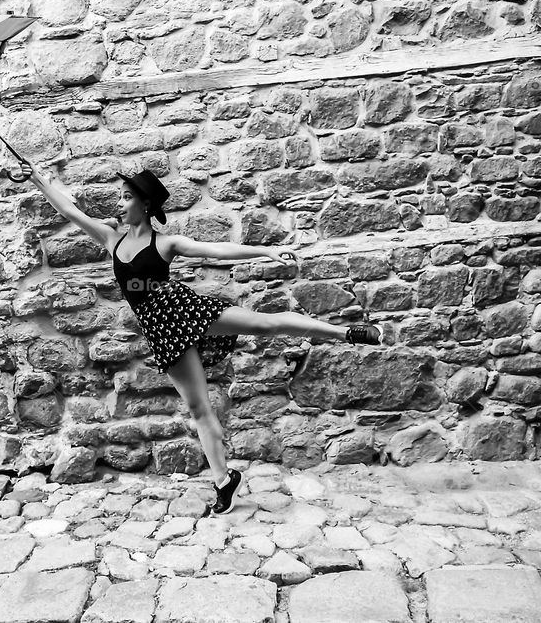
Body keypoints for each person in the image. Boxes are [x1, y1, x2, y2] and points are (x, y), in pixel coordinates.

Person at [19, 161, 383, 515]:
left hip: (184, 309)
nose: (119, 203)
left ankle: (346, 332)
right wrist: (37, 178)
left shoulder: (166, 243)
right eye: (121, 196)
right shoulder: (110, 237)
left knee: (265, 324)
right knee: (198, 409)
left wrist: (265, 251)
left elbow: (216, 250)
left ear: (145, 204)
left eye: (126, 197)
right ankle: (225, 481)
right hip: (161, 331)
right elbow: (68, 209)